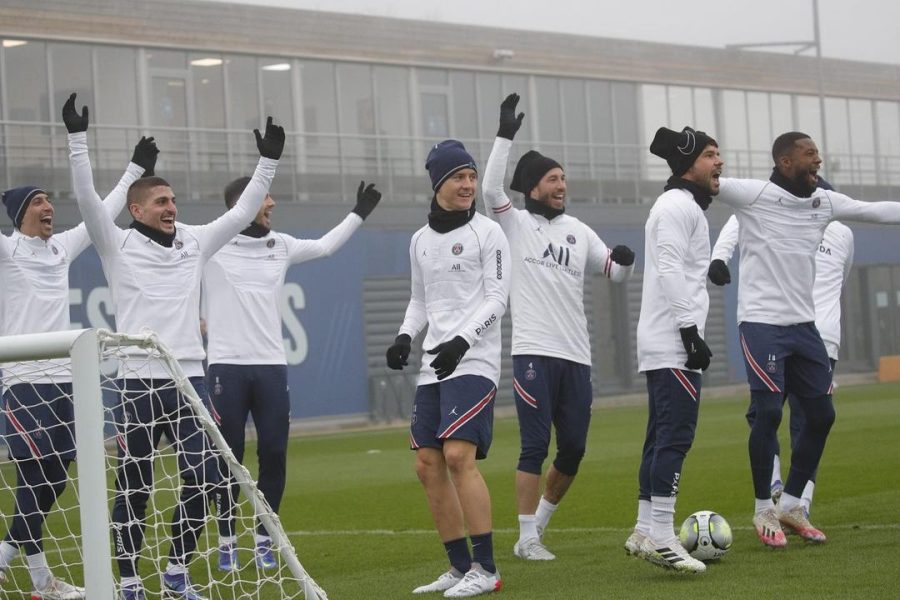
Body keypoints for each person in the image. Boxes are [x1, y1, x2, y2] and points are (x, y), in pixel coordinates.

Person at [67, 90, 284, 600]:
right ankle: (126, 581)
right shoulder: (115, 243)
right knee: (134, 487)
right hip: (139, 382)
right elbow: (85, 199)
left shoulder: (194, 240)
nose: (172, 208)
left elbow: (243, 211)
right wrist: (79, 141)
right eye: (161, 202)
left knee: (208, 478)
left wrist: (267, 162)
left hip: (189, 381)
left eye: (173, 200)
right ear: (135, 209)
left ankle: (177, 573)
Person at [0, 93, 155, 599]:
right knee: (38, 478)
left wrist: (134, 170)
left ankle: (39, 580)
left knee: (53, 479)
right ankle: (17, 565)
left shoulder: (60, 247)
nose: (50, 207)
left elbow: (101, 210)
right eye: (40, 202)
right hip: (20, 381)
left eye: (50, 201)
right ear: (22, 212)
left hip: (63, 382)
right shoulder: (7, 251)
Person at [714, 131, 900, 548]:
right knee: (767, 413)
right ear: (784, 161)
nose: (818, 159)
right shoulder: (755, 194)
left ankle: (793, 503)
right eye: (809, 153)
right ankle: (765, 508)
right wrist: (717, 258)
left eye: (817, 152)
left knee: (821, 417)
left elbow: (875, 210)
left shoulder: (825, 203)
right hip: (761, 323)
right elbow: (708, 185)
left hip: (805, 328)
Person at [482, 94, 635, 561]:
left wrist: (626, 261)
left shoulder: (579, 230)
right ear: (532, 187)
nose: (562, 184)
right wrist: (505, 135)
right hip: (532, 351)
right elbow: (491, 189)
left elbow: (615, 273)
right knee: (534, 446)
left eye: (563, 177)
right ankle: (526, 538)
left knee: (572, 450)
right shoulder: (515, 224)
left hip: (576, 357)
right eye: (553, 178)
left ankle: (538, 528)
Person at [203, 176, 382, 571]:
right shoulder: (211, 246)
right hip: (226, 367)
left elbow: (324, 246)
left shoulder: (280, 245)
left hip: (270, 366)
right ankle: (227, 539)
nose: (273, 204)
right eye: (266, 197)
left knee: (274, 453)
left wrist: (358, 214)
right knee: (228, 457)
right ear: (244, 204)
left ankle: (265, 538)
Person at [385, 139, 509, 597]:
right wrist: (404, 336)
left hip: (474, 358)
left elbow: (498, 299)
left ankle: (487, 569)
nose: (468, 185)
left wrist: (463, 340)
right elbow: (421, 301)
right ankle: (459, 568)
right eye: (459, 177)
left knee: (459, 456)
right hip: (434, 365)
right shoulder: (419, 240)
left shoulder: (487, 233)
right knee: (427, 463)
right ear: (438, 182)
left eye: (472, 177)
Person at [710, 201, 854, 517]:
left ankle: (786, 496)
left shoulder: (822, 226)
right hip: (807, 333)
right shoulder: (836, 230)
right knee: (792, 418)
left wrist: (719, 258)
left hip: (809, 334)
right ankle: (794, 501)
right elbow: (841, 279)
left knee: (776, 414)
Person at [625, 126, 723, 574]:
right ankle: (664, 536)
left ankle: (645, 529)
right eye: (709, 155)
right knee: (675, 437)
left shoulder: (684, 205)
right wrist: (689, 332)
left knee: (658, 438)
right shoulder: (675, 206)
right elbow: (667, 268)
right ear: (688, 165)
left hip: (667, 339)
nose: (718, 162)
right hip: (671, 341)